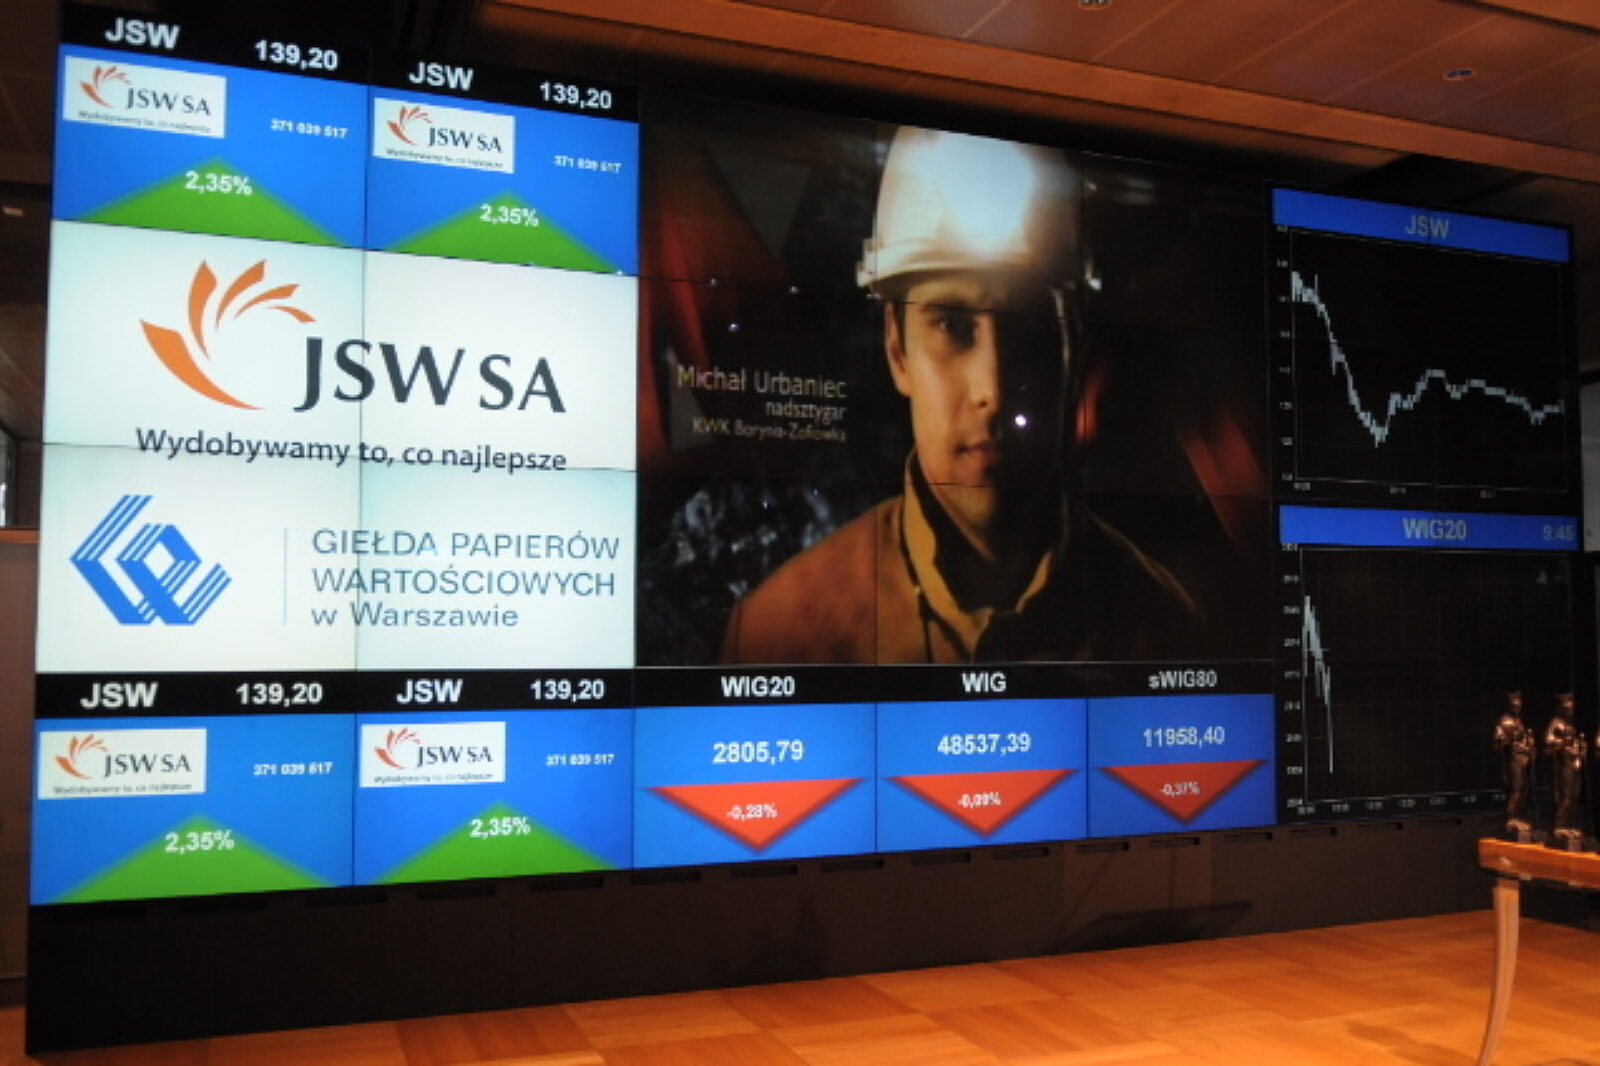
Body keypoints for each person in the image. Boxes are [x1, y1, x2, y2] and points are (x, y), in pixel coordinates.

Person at [720, 126, 1198, 664]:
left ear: (1074, 352)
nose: (993, 388)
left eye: (1030, 328)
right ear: (897, 350)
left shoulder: (1166, 628)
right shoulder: (778, 634)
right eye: (952, 325)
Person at [1544, 692, 1585, 843]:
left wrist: (1580, 746)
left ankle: (1570, 824)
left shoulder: (1570, 725)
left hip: (1574, 761)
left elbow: (1574, 741)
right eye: (1568, 709)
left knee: (1574, 796)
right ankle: (1559, 825)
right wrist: (1561, 742)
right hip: (1564, 763)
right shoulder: (1556, 723)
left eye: (1572, 709)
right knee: (1566, 796)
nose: (1570, 711)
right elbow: (1548, 739)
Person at [1491, 690, 1534, 834]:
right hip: (1513, 758)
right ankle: (1510, 818)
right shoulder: (1505, 721)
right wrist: (1503, 740)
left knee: (1523, 790)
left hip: (1523, 757)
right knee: (1516, 789)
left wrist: (1528, 742)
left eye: (1519, 705)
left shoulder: (1519, 721)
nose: (1517, 708)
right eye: (1515, 706)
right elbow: (1498, 741)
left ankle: (1517, 815)